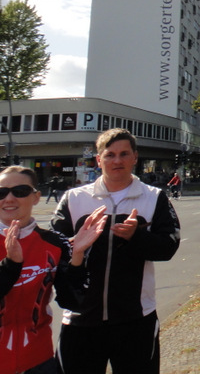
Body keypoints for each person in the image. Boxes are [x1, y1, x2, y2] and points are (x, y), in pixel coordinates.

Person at [51, 128, 181, 374]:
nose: (117, 160)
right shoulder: (74, 198)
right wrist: (75, 244)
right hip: (80, 319)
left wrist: (137, 236)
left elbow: (169, 247)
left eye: (124, 154)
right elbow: (54, 253)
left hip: (135, 319)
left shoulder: (154, 198)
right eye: (110, 155)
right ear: (98, 159)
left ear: (135, 157)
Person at [1, 166, 107, 374]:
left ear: (36, 197)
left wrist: (77, 257)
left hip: (39, 360)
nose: (9, 198)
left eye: (20, 191)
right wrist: (12, 265)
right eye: (1, 192)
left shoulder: (54, 242)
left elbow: (73, 302)